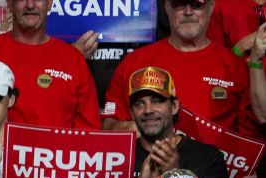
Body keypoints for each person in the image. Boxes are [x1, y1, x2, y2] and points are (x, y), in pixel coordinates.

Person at [89, 66, 232, 178]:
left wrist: (174, 174)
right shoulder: (115, 157)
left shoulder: (207, 156)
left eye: (157, 101)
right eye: (139, 104)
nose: (148, 110)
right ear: (132, 113)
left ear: (174, 106)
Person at [0, 0, 99, 131]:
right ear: (9, 3)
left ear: (49, 3)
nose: (30, 5)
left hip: (55, 168)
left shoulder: (73, 60)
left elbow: (88, 133)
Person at [104, 0, 255, 136]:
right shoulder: (134, 62)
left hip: (216, 165)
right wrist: (132, 129)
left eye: (196, 5)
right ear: (167, 7)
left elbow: (250, 139)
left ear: (211, 7)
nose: (188, 12)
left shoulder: (235, 66)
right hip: (150, 164)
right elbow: (107, 124)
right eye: (179, 4)